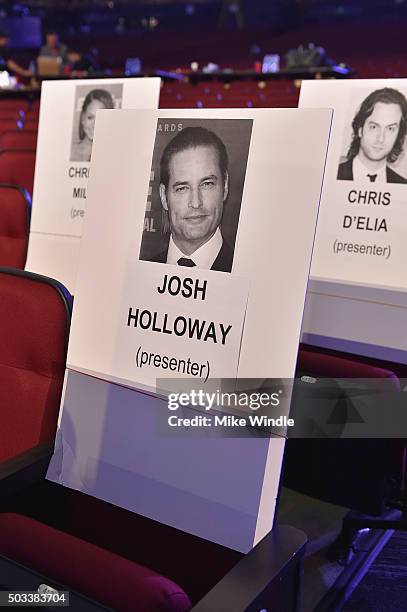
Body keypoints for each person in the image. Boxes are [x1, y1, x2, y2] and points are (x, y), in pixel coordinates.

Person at [151, 126, 234, 272]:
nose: (196, 203)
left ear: (225, 186)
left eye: (207, 184)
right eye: (182, 188)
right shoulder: (140, 274)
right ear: (164, 197)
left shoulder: (248, 273)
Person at [337, 87, 407, 184]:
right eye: (374, 127)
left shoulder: (403, 186)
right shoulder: (334, 175)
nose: (381, 139)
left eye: (390, 129)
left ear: (398, 135)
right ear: (360, 129)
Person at [71, 89, 115, 162]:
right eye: (90, 117)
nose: (94, 125)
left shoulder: (112, 157)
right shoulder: (69, 152)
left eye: (100, 118)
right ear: (83, 118)